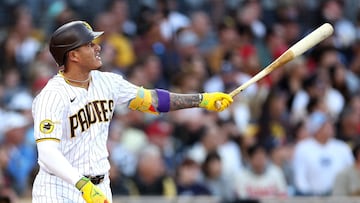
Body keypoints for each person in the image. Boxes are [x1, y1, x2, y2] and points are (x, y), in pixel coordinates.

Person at [31, 20, 233, 203]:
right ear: (73, 55)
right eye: (90, 44)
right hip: (59, 188)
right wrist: (81, 184)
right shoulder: (52, 96)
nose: (97, 47)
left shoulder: (107, 82)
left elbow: (153, 100)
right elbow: (48, 152)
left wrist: (202, 99)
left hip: (98, 185)